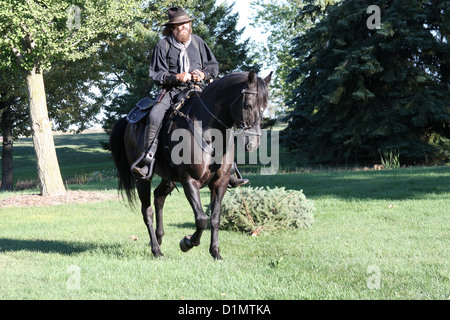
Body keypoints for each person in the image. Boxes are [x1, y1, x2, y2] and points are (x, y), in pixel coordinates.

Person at [131, 7, 249, 188]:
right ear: (171, 28)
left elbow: (213, 66)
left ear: (190, 25)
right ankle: (147, 160)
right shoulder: (163, 45)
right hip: (171, 92)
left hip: (199, 90)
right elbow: (156, 74)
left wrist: (202, 74)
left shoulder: (198, 42)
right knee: (155, 115)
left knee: (221, 115)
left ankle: (230, 168)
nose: (182, 27)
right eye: (177, 25)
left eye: (184, 23)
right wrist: (177, 77)